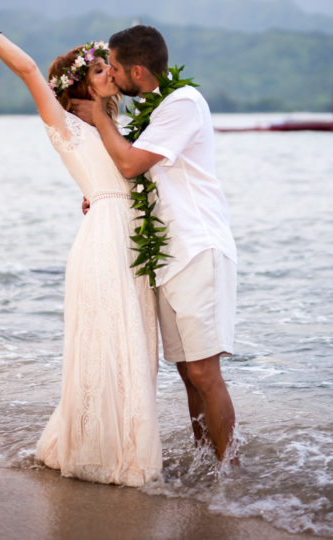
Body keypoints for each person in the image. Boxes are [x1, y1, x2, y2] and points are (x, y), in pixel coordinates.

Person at [0, 0, 161, 486]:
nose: (110, 72)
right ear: (80, 83)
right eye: (100, 68)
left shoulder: (118, 127)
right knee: (107, 342)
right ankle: (102, 453)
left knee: (133, 346)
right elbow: (27, 70)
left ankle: (126, 448)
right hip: (104, 240)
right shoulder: (64, 125)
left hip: (132, 240)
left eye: (110, 67)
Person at [83, 25, 239, 462]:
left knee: (205, 371)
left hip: (197, 248)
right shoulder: (154, 112)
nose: (110, 76)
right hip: (169, 255)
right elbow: (134, 170)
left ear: (136, 69)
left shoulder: (183, 104)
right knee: (188, 372)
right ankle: (205, 464)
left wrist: (99, 114)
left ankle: (232, 477)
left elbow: (131, 163)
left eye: (114, 68)